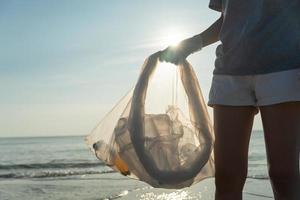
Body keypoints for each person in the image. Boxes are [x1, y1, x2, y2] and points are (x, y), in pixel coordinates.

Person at [159, 0, 300, 200]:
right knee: (226, 177)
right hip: (229, 72)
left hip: (284, 68)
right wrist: (192, 43)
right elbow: (229, 17)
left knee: (283, 175)